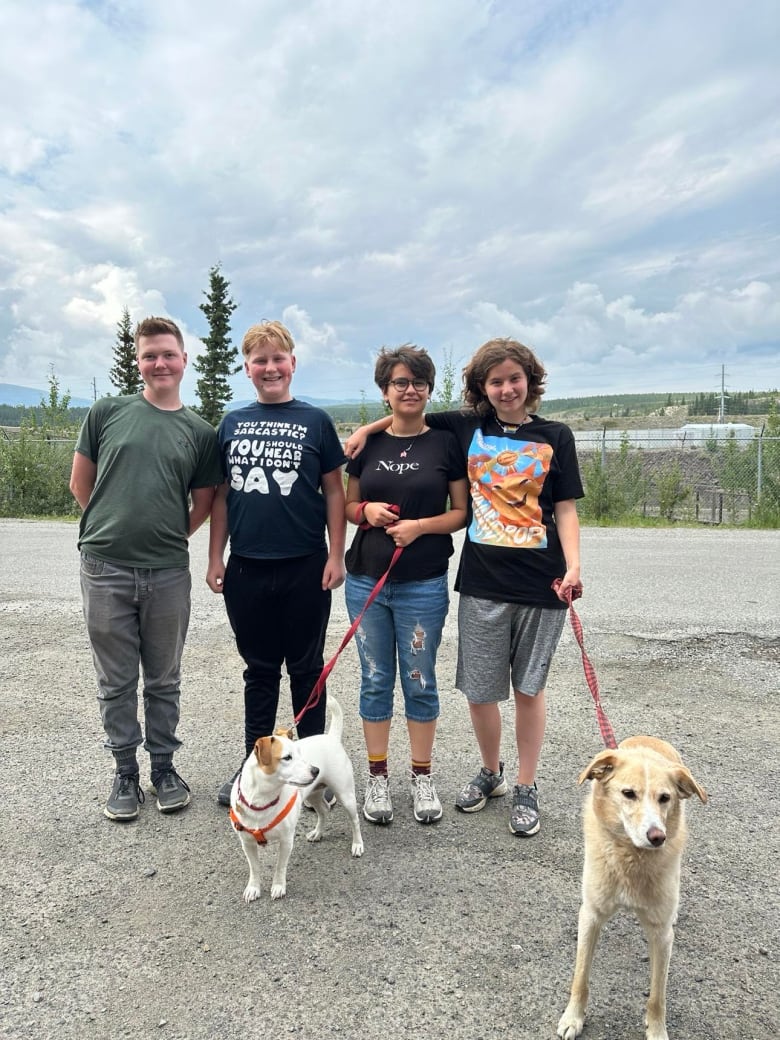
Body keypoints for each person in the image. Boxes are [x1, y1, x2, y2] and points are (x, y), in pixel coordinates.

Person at [345, 337, 583, 837]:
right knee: (479, 690)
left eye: (514, 379)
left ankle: (525, 784)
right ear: (481, 388)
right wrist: (366, 429)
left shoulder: (556, 435)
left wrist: (575, 568)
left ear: (530, 381)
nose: (506, 389)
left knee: (527, 687)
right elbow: (403, 418)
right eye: (495, 381)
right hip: (480, 579)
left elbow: (564, 508)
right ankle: (490, 773)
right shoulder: (468, 425)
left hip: (543, 581)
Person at [70, 316, 222, 822]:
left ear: (183, 360)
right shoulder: (107, 412)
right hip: (105, 566)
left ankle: (163, 769)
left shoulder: (199, 432)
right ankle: (125, 773)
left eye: (168, 354)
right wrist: (113, 526)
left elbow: (203, 503)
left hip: (166, 572)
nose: (159, 363)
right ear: (139, 362)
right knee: (115, 681)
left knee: (163, 678)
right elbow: (80, 484)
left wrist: (168, 534)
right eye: (149, 355)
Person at [207, 320, 347, 807]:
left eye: (277, 358)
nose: (270, 367)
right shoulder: (231, 423)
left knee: (307, 669)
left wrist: (335, 554)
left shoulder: (316, 421)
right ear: (247, 369)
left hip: (306, 565)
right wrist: (214, 557)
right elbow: (222, 496)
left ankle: (313, 772)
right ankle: (257, 768)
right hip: (246, 567)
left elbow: (334, 489)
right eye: (259, 360)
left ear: (292, 363)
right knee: (260, 671)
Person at [344, 346, 468, 825]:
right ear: (385, 391)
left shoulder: (444, 443)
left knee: (419, 680)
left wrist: (420, 527)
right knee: (375, 678)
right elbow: (348, 505)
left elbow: (460, 513)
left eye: (418, 382)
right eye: (400, 383)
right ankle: (377, 777)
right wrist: (367, 513)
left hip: (423, 583)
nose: (410, 390)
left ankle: (421, 775)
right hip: (366, 580)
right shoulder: (366, 446)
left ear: (429, 389)